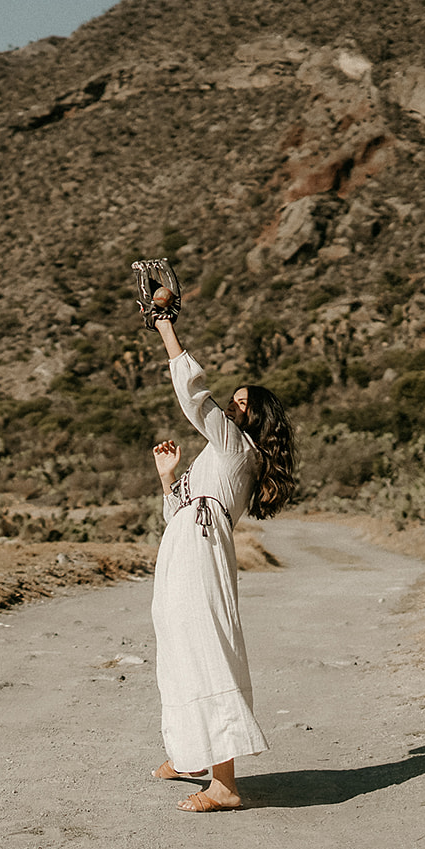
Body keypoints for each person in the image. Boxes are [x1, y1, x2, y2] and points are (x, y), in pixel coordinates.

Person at [145, 314, 295, 812]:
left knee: (204, 647)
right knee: (176, 643)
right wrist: (168, 477)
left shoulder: (237, 446)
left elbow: (193, 395)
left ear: (258, 419)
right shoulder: (218, 451)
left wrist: (167, 331)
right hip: (184, 543)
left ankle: (225, 785)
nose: (232, 405)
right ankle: (190, 756)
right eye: (234, 400)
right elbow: (177, 511)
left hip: (201, 548)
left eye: (242, 403)